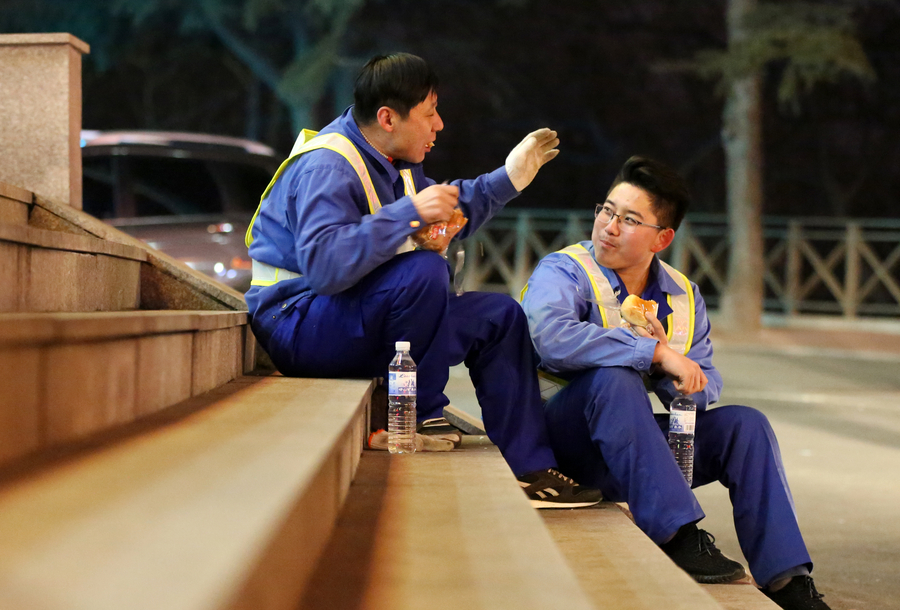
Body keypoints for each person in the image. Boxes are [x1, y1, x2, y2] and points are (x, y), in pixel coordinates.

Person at [244, 52, 601, 508]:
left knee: (500, 316)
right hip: (298, 324)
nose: (440, 125)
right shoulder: (328, 166)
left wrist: (510, 178)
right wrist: (408, 216)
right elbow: (325, 267)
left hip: (347, 316)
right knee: (425, 270)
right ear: (388, 117)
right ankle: (415, 416)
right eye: (430, 113)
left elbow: (446, 208)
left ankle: (532, 469)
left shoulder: (393, 160)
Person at [520, 156, 830, 609]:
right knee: (614, 379)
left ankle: (788, 580)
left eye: (629, 219)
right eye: (606, 210)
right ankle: (679, 534)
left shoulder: (682, 295)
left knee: (746, 426)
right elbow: (552, 340)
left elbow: (703, 385)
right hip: (562, 451)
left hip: (633, 454)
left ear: (662, 238)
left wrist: (674, 370)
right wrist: (652, 352)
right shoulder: (564, 270)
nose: (608, 226)